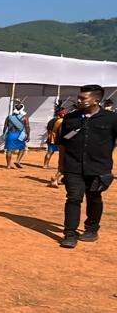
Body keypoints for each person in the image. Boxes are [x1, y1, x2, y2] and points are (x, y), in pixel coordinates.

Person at [57, 84, 117, 248]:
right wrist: (61, 165)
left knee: (94, 198)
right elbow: (62, 143)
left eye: (83, 98)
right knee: (73, 198)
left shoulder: (111, 119)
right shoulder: (70, 118)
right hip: (73, 166)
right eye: (79, 97)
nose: (79, 100)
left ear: (96, 100)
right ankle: (70, 234)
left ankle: (91, 229)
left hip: (98, 168)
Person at [2, 101, 30, 169]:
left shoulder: (9, 117)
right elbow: (27, 127)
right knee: (22, 149)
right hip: (20, 135)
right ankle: (17, 161)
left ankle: (8, 165)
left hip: (11, 134)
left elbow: (5, 127)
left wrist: (4, 135)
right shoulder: (24, 118)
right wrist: (28, 135)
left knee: (9, 150)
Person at [44, 105, 64, 171]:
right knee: (51, 152)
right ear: (59, 113)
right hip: (56, 139)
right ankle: (46, 165)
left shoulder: (51, 121)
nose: (64, 113)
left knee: (50, 152)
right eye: (63, 112)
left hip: (51, 138)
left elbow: (48, 130)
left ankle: (45, 164)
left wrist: (50, 137)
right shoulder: (61, 121)